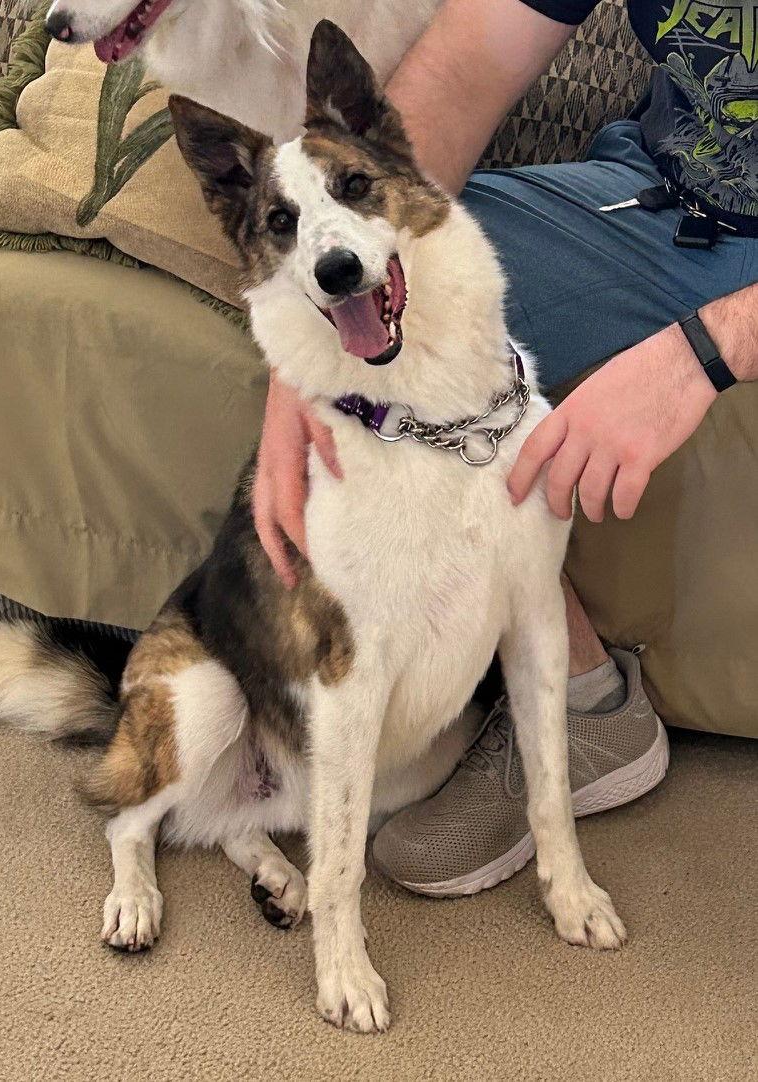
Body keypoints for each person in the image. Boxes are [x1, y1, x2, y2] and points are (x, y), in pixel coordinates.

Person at [252, 0, 758, 895]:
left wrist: (703, 351)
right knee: (390, 301)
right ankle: (584, 697)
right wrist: (316, 345)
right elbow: (457, 76)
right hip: (662, 203)